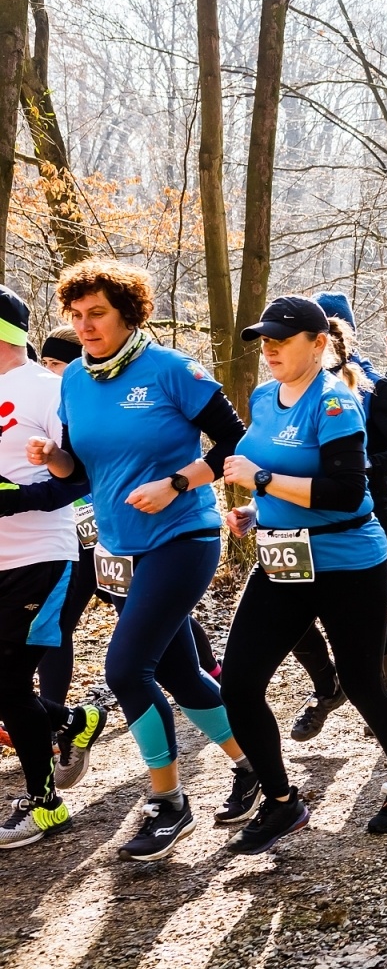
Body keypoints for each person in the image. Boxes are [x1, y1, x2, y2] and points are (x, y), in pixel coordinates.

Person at [32, 260, 255, 862]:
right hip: (121, 548)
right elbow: (79, 472)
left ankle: (168, 802)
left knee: (126, 669)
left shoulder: (171, 369)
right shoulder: (73, 381)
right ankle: (250, 764)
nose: (85, 326)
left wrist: (178, 484)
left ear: (129, 313)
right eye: (76, 316)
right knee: (180, 673)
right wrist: (53, 457)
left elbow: (238, 440)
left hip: (184, 536)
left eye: (97, 313)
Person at [216, 296, 387, 854]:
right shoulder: (265, 397)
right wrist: (259, 511)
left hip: (346, 561)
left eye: (280, 340)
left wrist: (261, 481)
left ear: (318, 344)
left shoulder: (336, 401)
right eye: (263, 341)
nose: (268, 350)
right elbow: (287, 474)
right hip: (283, 557)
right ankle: (282, 802)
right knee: (238, 684)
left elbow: (342, 492)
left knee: (362, 683)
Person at [0, 287, 108, 849]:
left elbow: (78, 477)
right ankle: (70, 723)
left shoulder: (50, 387)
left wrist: (12, 499)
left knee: (9, 681)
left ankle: (44, 806)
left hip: (39, 554)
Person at [288, 306, 387, 742]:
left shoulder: (373, 388)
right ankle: (327, 688)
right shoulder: (282, 393)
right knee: (292, 617)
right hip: (297, 524)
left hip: (365, 516)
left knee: (367, 617)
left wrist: (365, 466)